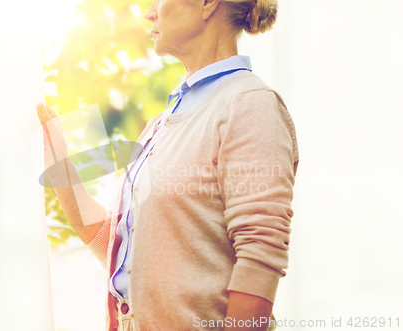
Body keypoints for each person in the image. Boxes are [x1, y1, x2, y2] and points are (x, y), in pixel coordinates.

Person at [36, 0, 299, 330]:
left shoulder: (249, 104)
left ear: (207, 4)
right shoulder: (161, 123)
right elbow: (125, 251)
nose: (149, 12)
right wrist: (59, 163)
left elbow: (260, 255)